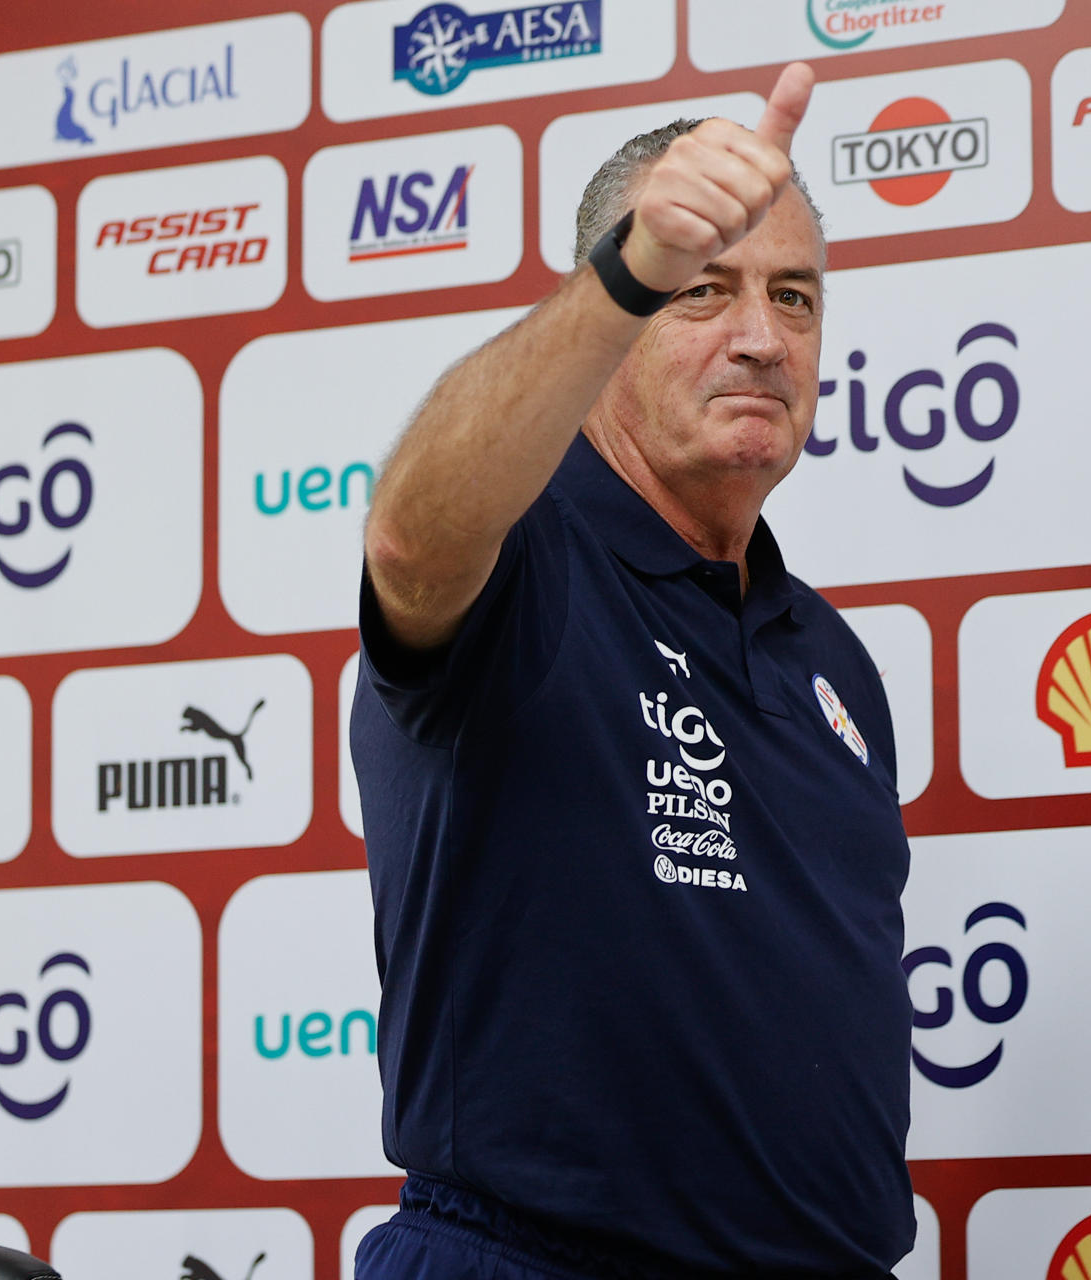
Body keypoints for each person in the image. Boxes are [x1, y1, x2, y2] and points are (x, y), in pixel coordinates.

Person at [348, 62, 917, 1280]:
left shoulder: (836, 663)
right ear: (615, 315)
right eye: (702, 290)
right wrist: (627, 265)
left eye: (796, 298)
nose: (762, 338)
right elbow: (411, 535)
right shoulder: (525, 561)